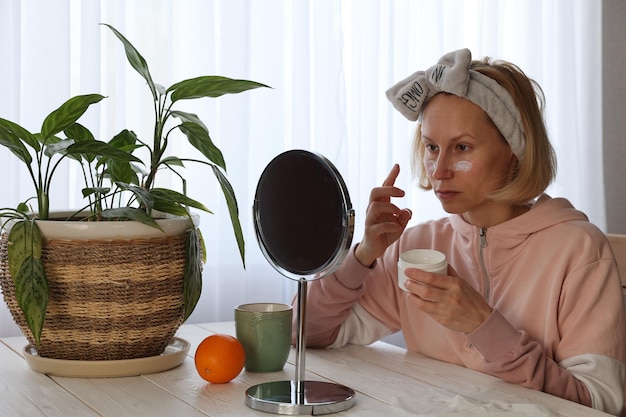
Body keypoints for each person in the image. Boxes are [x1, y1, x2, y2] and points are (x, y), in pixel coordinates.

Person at [295, 49, 626, 415]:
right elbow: (305, 335)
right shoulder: (419, 246)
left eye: (462, 147)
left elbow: (601, 403)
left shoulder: (578, 250)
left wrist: (482, 325)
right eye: (432, 147)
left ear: (514, 150)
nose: (438, 171)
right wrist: (362, 256)